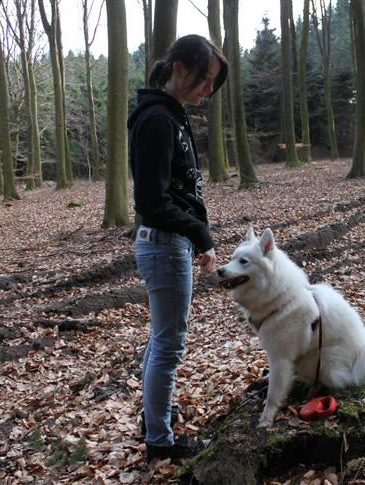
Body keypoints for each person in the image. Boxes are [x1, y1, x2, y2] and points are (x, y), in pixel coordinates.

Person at [127, 34, 228, 461]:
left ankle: (155, 418)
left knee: (163, 339)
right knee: (169, 344)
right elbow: (153, 201)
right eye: (204, 79)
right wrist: (200, 234)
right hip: (165, 244)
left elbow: (180, 191)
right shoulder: (157, 120)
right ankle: (161, 442)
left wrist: (195, 234)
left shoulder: (170, 114)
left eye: (213, 83)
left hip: (172, 243)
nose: (208, 90)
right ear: (179, 69)